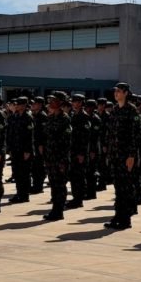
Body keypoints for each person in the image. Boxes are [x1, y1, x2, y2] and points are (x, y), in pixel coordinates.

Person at [104, 83, 140, 230]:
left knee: (125, 188)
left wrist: (131, 156)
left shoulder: (131, 110)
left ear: (125, 93)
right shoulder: (114, 110)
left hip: (126, 156)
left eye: (119, 91)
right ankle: (118, 216)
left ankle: (125, 219)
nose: (116, 93)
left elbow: (135, 135)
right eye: (115, 91)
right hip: (115, 155)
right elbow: (111, 134)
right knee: (118, 188)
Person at [42, 91, 71, 221]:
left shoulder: (64, 119)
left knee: (60, 185)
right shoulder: (50, 117)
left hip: (60, 158)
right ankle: (55, 209)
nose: (50, 102)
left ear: (60, 103)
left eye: (54, 100)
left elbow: (66, 142)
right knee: (53, 184)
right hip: (50, 157)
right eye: (50, 100)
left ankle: (59, 211)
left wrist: (63, 161)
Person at [6, 97, 34, 204]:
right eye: (16, 104)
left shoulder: (28, 117)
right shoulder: (14, 117)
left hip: (24, 151)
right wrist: (10, 149)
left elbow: (30, 135)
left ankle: (24, 195)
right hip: (15, 149)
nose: (16, 106)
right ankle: (19, 193)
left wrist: (27, 151)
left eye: (18, 104)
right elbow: (10, 134)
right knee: (17, 173)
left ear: (24, 105)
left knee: (24, 174)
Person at [66, 94, 91, 209]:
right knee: (73, 176)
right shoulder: (72, 115)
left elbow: (85, 137)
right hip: (72, 150)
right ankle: (75, 197)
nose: (74, 103)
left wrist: (81, 153)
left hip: (80, 151)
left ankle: (79, 199)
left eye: (76, 102)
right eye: (73, 101)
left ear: (81, 103)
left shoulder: (84, 116)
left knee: (79, 176)